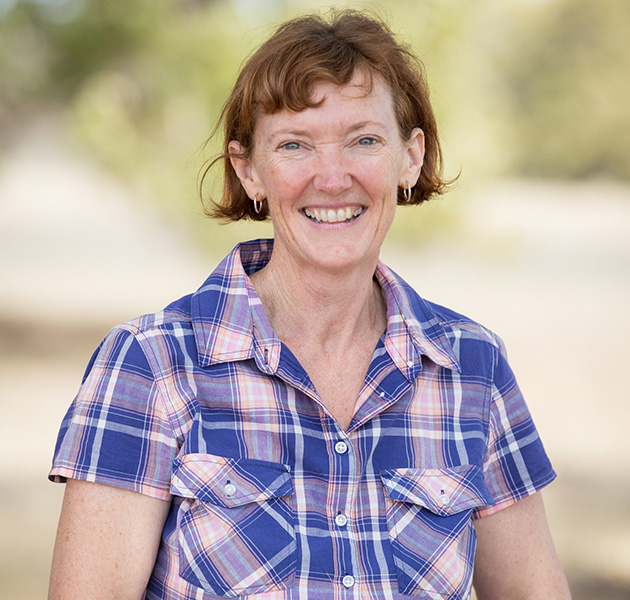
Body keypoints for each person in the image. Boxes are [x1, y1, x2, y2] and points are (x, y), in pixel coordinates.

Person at [48, 9, 571, 600]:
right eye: (295, 145)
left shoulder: (473, 368)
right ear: (249, 171)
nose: (331, 176)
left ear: (411, 156)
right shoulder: (151, 365)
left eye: (364, 140)